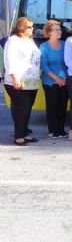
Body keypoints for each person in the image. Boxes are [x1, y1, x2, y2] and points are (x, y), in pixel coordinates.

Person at [3, 17, 40, 146]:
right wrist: (15, 78)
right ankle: (18, 137)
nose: (32, 29)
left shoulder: (29, 41)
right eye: (29, 27)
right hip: (17, 81)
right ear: (21, 27)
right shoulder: (13, 41)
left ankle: (24, 133)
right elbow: (9, 60)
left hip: (31, 82)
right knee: (22, 109)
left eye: (32, 26)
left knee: (28, 108)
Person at [40, 19, 69, 139]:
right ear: (49, 32)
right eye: (56, 29)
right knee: (52, 106)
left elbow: (68, 62)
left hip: (65, 81)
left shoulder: (65, 44)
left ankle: (61, 129)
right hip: (50, 81)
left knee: (62, 106)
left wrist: (65, 77)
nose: (59, 31)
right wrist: (57, 78)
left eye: (60, 29)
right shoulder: (44, 47)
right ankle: (52, 130)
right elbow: (44, 66)